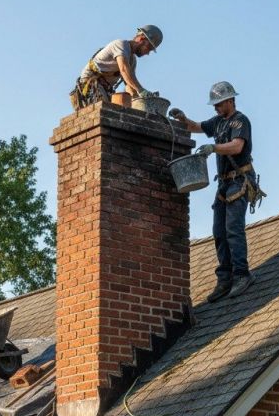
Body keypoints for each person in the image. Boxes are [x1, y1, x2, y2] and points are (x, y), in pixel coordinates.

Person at [170, 81, 263, 302]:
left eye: (219, 104)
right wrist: (183, 119)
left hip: (239, 180)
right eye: (215, 104)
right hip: (224, 183)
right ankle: (225, 278)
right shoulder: (218, 122)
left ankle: (242, 274)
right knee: (219, 231)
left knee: (233, 229)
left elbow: (237, 146)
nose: (216, 107)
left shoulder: (240, 121)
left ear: (230, 100)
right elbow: (197, 127)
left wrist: (214, 148)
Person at [70, 25, 163, 110]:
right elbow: (124, 70)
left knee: (117, 111)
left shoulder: (132, 60)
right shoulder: (121, 45)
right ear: (141, 39)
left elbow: (130, 84)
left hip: (104, 88)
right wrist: (141, 90)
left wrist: (138, 100)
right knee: (105, 111)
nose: (147, 53)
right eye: (149, 48)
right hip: (90, 83)